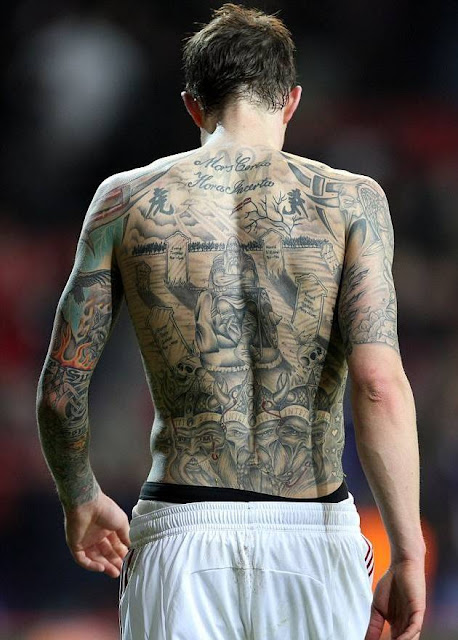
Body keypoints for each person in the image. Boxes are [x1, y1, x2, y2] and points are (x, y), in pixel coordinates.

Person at [36, 4, 426, 639]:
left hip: (179, 536)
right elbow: (379, 386)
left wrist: (79, 496)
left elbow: (61, 390)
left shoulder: (123, 200)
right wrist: (408, 553)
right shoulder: (354, 203)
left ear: (193, 106)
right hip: (313, 538)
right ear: (291, 100)